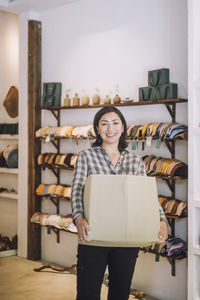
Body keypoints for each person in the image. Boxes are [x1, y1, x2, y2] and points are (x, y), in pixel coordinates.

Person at [71, 106, 168, 300]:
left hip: (126, 236)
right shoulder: (86, 157)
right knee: (87, 292)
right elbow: (77, 191)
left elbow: (146, 195)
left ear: (122, 127)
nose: (110, 128)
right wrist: (79, 218)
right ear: (97, 129)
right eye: (104, 123)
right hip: (94, 234)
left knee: (120, 292)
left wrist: (161, 220)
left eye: (115, 123)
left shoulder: (134, 161)